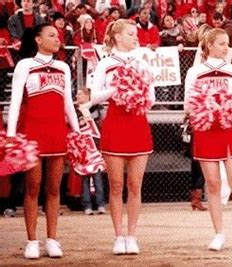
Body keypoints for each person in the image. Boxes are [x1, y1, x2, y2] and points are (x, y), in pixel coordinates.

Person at [7, 23, 80, 259]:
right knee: (32, 187)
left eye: (58, 36)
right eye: (51, 35)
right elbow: (16, 101)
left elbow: (67, 102)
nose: (57, 39)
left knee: (53, 187)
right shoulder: (25, 65)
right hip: (32, 132)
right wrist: (10, 136)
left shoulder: (63, 67)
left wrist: (77, 131)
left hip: (57, 131)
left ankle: (52, 239)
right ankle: (31, 240)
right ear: (38, 40)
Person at [184, 28, 232, 254]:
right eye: (223, 44)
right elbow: (188, 104)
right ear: (210, 45)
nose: (227, 48)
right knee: (212, 185)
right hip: (206, 131)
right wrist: (206, 108)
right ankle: (219, 234)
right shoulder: (195, 72)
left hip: (228, 129)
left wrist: (228, 109)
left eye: (227, 43)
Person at [91, 19, 155, 255]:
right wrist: (119, 88)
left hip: (138, 122)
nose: (135, 37)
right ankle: (118, 236)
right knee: (116, 185)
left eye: (135, 33)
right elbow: (96, 95)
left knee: (135, 185)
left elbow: (152, 97)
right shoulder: (105, 64)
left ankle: (132, 235)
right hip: (115, 123)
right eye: (130, 33)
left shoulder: (142, 62)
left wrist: (137, 90)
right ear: (117, 37)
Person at [75, 87, 106, 215]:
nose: (77, 97)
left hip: (95, 147)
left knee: (97, 177)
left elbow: (99, 120)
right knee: (85, 178)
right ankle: (87, 205)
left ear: (87, 96)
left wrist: (86, 113)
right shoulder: (75, 111)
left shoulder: (97, 108)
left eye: (80, 94)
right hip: (83, 148)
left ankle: (100, 204)